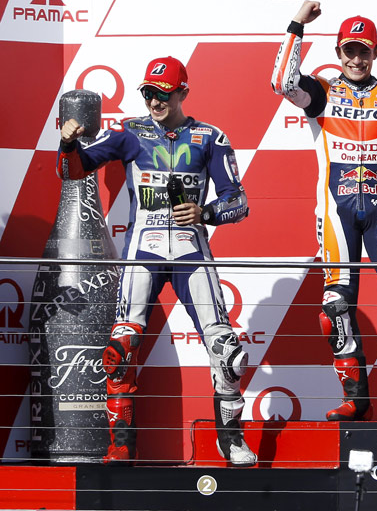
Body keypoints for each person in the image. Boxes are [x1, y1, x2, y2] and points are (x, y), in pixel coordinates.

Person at [56, 56, 256, 466]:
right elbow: (71, 171)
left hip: (191, 251)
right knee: (120, 349)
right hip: (142, 253)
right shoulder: (131, 132)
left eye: (163, 93)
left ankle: (230, 439)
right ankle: (121, 445)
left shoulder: (209, 137)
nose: (154, 100)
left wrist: (208, 213)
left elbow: (239, 201)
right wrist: (68, 142)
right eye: (148, 92)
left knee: (228, 351)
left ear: (182, 91)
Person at [271, 1, 377, 421]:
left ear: (375, 52)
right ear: (338, 53)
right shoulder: (324, 91)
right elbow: (280, 82)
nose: (356, 59)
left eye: (364, 50)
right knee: (335, 307)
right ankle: (354, 395)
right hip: (335, 211)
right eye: (349, 50)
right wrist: (297, 26)